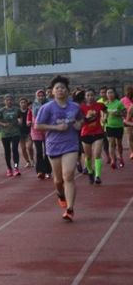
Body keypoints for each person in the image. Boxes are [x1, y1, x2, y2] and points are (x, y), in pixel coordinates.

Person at [35, 75, 84, 221]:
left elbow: (81, 119)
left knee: (68, 175)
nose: (60, 90)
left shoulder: (74, 107)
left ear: (68, 91)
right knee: (58, 180)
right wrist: (55, 127)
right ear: (52, 92)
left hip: (71, 144)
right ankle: (60, 194)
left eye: (63, 88)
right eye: (57, 88)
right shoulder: (47, 107)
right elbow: (38, 125)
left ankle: (70, 209)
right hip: (53, 145)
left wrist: (79, 124)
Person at [79, 88, 107, 185]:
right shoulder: (81, 107)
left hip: (98, 132)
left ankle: (97, 176)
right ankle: (90, 171)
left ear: (94, 95)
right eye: (88, 95)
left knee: (97, 154)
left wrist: (104, 117)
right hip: (85, 134)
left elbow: (106, 111)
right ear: (85, 97)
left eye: (91, 95)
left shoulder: (100, 105)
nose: (90, 97)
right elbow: (80, 120)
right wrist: (86, 118)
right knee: (88, 156)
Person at [0, 94, 24, 177]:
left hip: (15, 133)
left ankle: (16, 168)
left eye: (10, 100)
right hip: (5, 134)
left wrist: (20, 121)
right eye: (7, 100)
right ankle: (9, 168)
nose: (9, 101)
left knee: (15, 149)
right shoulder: (2, 110)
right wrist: (2, 124)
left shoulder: (17, 109)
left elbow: (20, 117)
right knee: (7, 151)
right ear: (4, 101)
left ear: (13, 101)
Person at [29, 89, 53, 179]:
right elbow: (32, 115)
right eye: (39, 96)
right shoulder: (33, 105)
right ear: (36, 96)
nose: (41, 97)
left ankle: (48, 171)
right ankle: (39, 171)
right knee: (39, 152)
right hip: (36, 130)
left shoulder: (49, 104)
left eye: (42, 95)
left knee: (47, 151)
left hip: (47, 130)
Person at [104, 87, 126, 169]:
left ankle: (120, 156)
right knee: (111, 143)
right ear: (106, 95)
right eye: (108, 93)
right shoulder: (105, 104)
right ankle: (113, 160)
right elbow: (103, 116)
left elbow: (125, 114)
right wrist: (104, 119)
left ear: (114, 94)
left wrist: (118, 113)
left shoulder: (119, 103)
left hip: (119, 126)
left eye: (111, 92)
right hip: (109, 126)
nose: (110, 94)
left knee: (119, 144)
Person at [18, 97, 34, 168]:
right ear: (19, 104)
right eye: (21, 102)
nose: (23, 104)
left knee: (29, 147)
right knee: (23, 148)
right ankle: (28, 161)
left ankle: (32, 159)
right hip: (20, 133)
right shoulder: (18, 112)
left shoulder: (30, 111)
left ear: (27, 103)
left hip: (29, 132)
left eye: (24, 102)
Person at [122, 84, 133, 161]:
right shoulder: (123, 100)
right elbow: (121, 111)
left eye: (129, 91)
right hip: (127, 121)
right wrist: (124, 119)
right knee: (130, 138)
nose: (128, 93)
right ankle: (132, 152)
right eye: (127, 91)